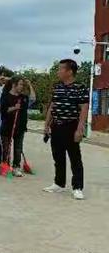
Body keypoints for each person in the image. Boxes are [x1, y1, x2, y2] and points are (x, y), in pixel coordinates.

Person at [43, 59, 89, 200]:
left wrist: (80, 129)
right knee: (58, 156)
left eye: (60, 69)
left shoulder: (80, 87)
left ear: (69, 71)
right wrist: (46, 125)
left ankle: (77, 187)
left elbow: (84, 108)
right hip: (56, 125)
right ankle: (59, 183)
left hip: (71, 125)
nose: (58, 71)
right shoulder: (57, 87)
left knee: (75, 158)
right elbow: (52, 106)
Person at [0, 76, 36, 177]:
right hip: (7, 126)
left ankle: (16, 167)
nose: (22, 86)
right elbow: (3, 110)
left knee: (18, 148)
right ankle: (5, 165)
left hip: (20, 127)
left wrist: (29, 85)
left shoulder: (23, 97)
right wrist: (14, 108)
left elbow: (33, 98)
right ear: (14, 85)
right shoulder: (5, 96)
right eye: (20, 84)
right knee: (6, 148)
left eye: (23, 85)